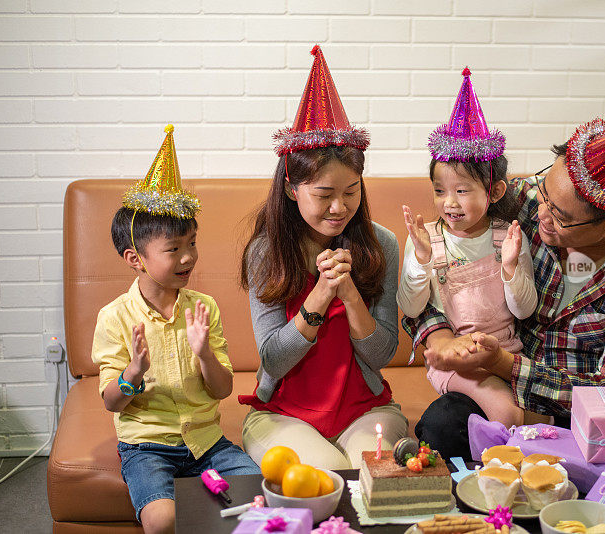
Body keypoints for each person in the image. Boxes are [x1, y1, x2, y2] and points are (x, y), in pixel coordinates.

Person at [406, 111, 605, 459]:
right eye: (545, 195)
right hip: (501, 382)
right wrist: (441, 336)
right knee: (442, 425)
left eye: (560, 218)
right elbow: (433, 263)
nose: (541, 216)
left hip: (582, 395)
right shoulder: (521, 200)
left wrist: (504, 364)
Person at [238, 46, 407, 470]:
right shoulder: (267, 252)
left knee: (377, 480)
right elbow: (273, 359)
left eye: (351, 192)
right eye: (324, 195)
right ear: (293, 189)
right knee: (327, 480)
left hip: (364, 409)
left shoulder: (380, 244)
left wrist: (350, 295)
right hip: (283, 413)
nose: (339, 208)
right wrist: (319, 295)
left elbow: (383, 355)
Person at [92, 125, 259, 534]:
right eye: (173, 249)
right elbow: (112, 402)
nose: (188, 257)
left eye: (192, 243)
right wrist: (131, 375)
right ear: (136, 258)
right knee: (163, 519)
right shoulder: (114, 317)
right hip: (147, 448)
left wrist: (203, 354)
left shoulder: (204, 308)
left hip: (207, 443)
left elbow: (221, 389)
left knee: (260, 499)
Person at [397, 68, 537, 429]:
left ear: (494, 193)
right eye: (440, 190)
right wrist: (422, 261)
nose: (449, 203)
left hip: (507, 354)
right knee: (506, 412)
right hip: (454, 357)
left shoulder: (507, 237)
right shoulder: (427, 238)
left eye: (462, 190)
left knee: (529, 415)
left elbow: (524, 310)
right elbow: (410, 307)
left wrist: (510, 268)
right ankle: (492, 477)